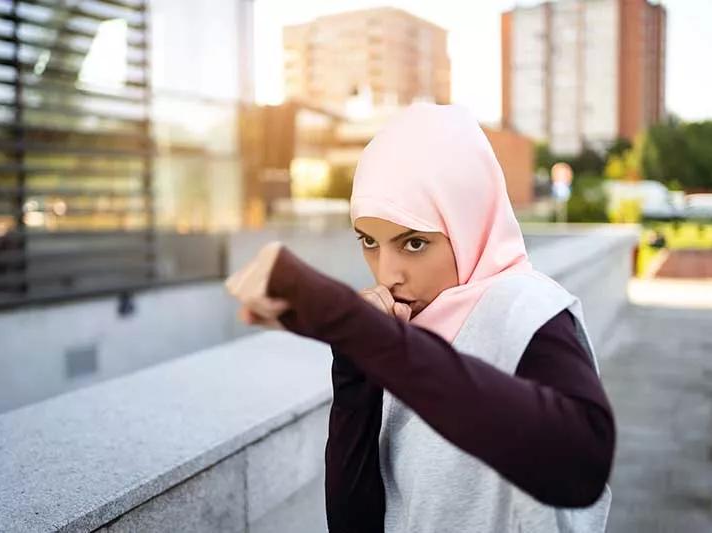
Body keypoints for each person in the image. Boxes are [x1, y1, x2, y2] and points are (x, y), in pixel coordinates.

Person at [225, 103, 614, 532]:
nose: (388, 274)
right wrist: (354, 372)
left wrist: (351, 322)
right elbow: (356, 523)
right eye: (369, 241)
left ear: (468, 223)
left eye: (413, 243)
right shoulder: (405, 329)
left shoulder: (527, 311)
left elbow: (582, 464)